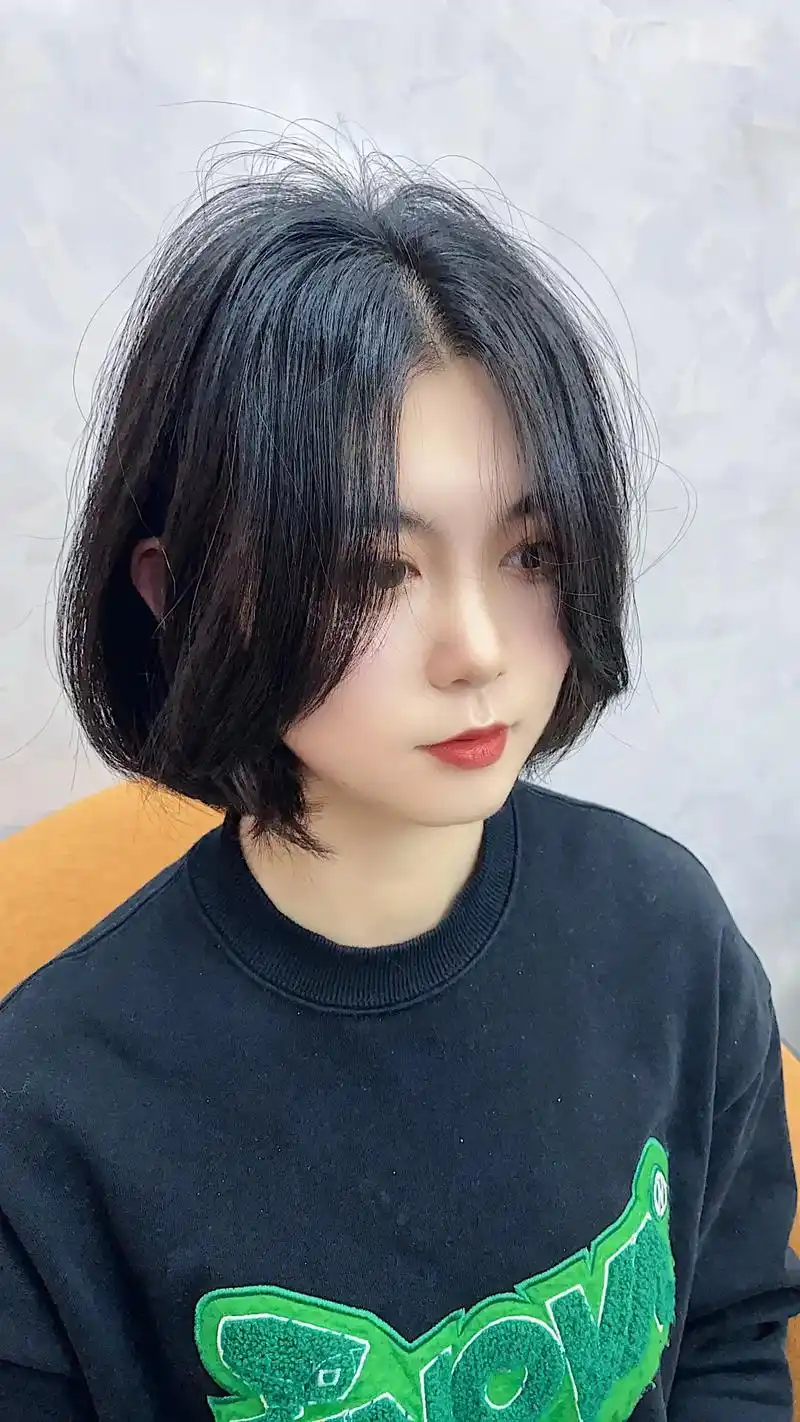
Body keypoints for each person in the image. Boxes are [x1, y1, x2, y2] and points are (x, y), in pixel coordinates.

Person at [0, 145, 797, 1422]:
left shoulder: (668, 942)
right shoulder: (49, 1113)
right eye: (376, 571)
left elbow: (727, 1333)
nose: (476, 649)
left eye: (529, 551)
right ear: (182, 593)